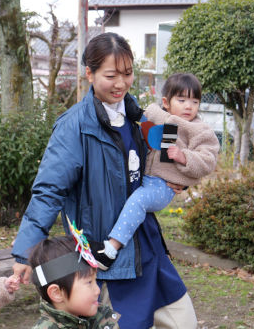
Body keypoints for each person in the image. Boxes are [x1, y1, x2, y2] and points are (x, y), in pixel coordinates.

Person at [11, 32, 198, 328]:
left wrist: (180, 179)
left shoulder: (141, 116)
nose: (121, 83)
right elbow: (48, 192)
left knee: (184, 321)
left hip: (147, 245)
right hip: (107, 258)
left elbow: (169, 155)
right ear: (89, 73)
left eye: (127, 73)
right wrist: (24, 252)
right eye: (111, 75)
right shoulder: (73, 127)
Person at [100, 73, 219, 270]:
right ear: (166, 102)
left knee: (138, 201)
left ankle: (111, 249)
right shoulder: (158, 118)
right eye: (181, 100)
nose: (188, 106)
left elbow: (208, 161)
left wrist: (184, 156)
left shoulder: (199, 130)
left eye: (194, 101)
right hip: (143, 177)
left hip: (162, 186)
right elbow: (140, 116)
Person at [28, 235, 120, 328]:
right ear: (57, 293)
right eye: (89, 282)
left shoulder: (100, 318)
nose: (97, 290)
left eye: (94, 280)